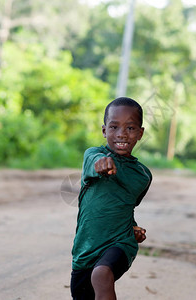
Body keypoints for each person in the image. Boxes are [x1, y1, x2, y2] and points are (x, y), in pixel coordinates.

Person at [70, 97, 152, 300]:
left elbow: (126, 206)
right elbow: (94, 161)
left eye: (130, 128)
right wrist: (101, 163)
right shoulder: (93, 155)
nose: (122, 134)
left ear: (140, 133)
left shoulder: (142, 176)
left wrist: (131, 227)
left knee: (102, 274)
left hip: (120, 243)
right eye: (114, 127)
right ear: (104, 130)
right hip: (86, 248)